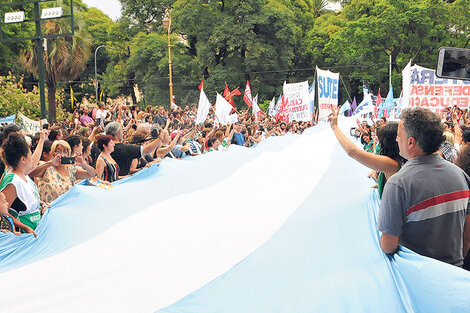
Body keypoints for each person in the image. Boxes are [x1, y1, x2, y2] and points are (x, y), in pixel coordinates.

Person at [377, 107, 470, 267]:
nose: (397, 139)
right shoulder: (460, 175)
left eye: (399, 136)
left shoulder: (397, 184)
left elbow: (388, 245)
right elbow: (466, 239)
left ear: (411, 142)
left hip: (418, 279)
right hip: (454, 272)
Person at [328, 107, 401, 197]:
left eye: (379, 139)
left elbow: (352, 151)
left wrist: (335, 128)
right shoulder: (397, 161)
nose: (375, 140)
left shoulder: (391, 164)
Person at [0, 134, 40, 234]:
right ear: (23, 159)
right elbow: (3, 211)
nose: (32, 158)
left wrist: (43, 204)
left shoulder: (24, 175)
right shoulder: (12, 181)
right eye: (31, 155)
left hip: (35, 227)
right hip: (23, 233)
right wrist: (24, 227)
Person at [33, 140, 98, 203]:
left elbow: (93, 174)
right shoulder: (47, 167)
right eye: (58, 151)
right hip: (49, 210)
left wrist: (83, 164)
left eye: (65, 152)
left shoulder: (71, 170)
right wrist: (50, 163)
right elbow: (31, 173)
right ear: (53, 153)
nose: (62, 154)